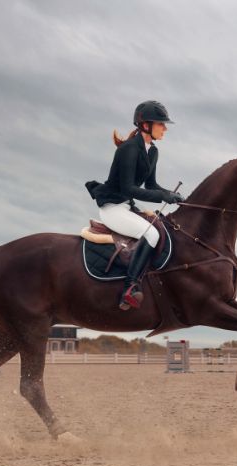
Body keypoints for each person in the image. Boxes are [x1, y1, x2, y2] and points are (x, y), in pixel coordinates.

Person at [89, 100, 185, 310]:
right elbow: (128, 189)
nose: (165, 128)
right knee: (152, 234)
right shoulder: (129, 149)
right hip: (112, 208)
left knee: (162, 228)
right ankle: (129, 287)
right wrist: (161, 196)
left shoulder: (152, 152)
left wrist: (171, 194)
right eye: (161, 124)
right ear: (145, 125)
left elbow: (151, 184)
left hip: (126, 206)